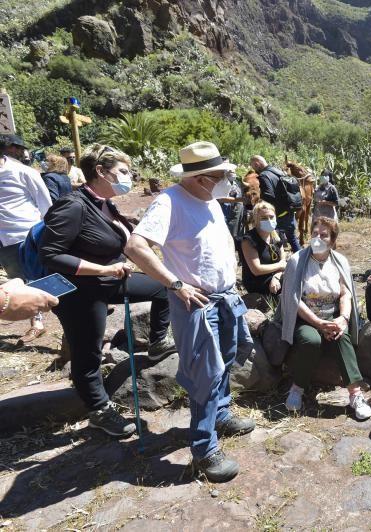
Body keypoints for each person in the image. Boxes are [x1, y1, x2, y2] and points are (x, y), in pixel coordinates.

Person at [126, 141, 256, 483]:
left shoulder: (208, 199)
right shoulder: (170, 202)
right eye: (221, 175)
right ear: (200, 178)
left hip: (224, 298)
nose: (228, 179)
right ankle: (204, 449)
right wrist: (175, 283)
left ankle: (221, 415)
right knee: (205, 376)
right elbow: (136, 246)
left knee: (224, 363)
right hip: (198, 304)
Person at [39, 144, 176, 438]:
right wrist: (103, 269)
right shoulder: (73, 205)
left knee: (164, 289)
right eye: (123, 171)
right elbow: (50, 254)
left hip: (110, 281)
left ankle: (156, 343)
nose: (130, 177)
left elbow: (120, 243)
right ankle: (100, 411)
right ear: (100, 172)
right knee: (88, 355)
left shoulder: (106, 203)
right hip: (79, 293)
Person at [279, 217, 371, 420]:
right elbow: (294, 300)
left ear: (332, 240)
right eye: (314, 233)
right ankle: (298, 388)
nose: (318, 238)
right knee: (310, 340)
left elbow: (345, 293)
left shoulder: (339, 261)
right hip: (306, 318)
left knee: (342, 336)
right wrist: (319, 324)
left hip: (332, 316)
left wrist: (344, 319)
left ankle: (355, 394)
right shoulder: (297, 260)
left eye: (324, 235)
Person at [0, 134, 52, 343]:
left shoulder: (23, 172)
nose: (21, 151)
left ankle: (41, 323)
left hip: (25, 236)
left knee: (38, 278)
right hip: (3, 240)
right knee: (17, 279)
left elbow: (46, 205)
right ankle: (36, 320)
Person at [251, 155, 301, 252]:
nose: (254, 170)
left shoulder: (264, 175)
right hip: (289, 212)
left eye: (254, 167)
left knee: (274, 242)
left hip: (277, 217)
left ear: (257, 164)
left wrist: (261, 207)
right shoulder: (279, 171)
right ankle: (302, 262)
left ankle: (277, 264)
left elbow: (269, 196)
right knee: (293, 239)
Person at [240, 201, 287, 297]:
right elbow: (256, 270)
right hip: (258, 282)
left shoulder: (277, 235)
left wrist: (277, 277)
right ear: (256, 220)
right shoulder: (249, 240)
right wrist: (280, 266)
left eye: (271, 217)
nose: (269, 220)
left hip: (276, 277)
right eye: (264, 218)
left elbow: (283, 261)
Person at [216, 164, 246, 241]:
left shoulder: (237, 182)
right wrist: (239, 199)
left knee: (235, 233)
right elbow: (219, 198)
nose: (232, 171)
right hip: (224, 212)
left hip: (236, 213)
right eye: (229, 170)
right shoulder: (218, 183)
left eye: (233, 170)